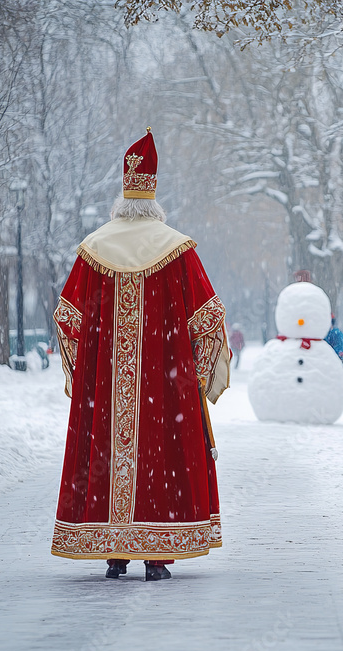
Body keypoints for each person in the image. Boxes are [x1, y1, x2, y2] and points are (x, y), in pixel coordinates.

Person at [51, 129, 230, 582]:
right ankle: (155, 552)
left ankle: (114, 551)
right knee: (158, 455)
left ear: (122, 196)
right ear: (154, 198)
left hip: (107, 385)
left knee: (110, 453)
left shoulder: (93, 250)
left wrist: (85, 371)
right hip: (163, 384)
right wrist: (199, 369)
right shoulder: (176, 250)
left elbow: (67, 320)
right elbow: (209, 318)